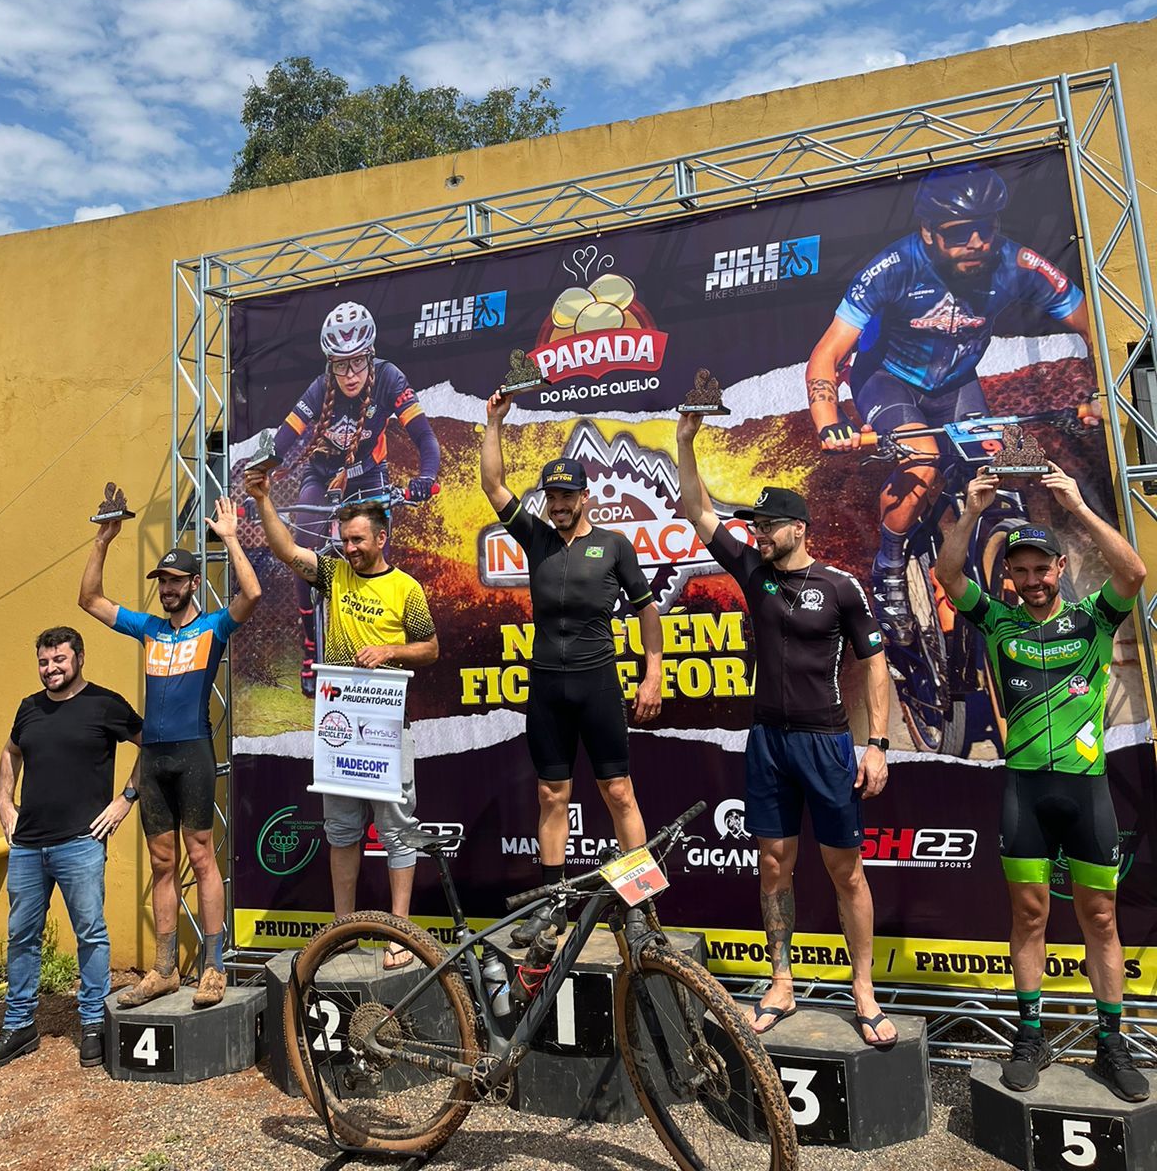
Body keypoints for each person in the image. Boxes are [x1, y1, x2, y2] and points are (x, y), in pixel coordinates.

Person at [677, 411, 896, 1047]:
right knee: (774, 863)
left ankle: (864, 990)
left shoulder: (841, 587)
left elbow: (875, 664)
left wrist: (877, 746)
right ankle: (781, 982)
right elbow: (698, 511)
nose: (759, 534)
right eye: (756, 526)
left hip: (826, 742)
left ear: (798, 528)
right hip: (768, 741)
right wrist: (685, 441)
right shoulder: (755, 572)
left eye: (768, 525)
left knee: (845, 870)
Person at [805, 165, 1099, 628]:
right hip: (887, 379)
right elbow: (827, 354)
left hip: (957, 383)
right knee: (923, 462)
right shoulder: (894, 267)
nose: (976, 242)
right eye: (960, 232)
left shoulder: (1016, 263)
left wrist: (1103, 392)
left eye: (986, 228)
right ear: (928, 232)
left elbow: (1095, 325)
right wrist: (828, 422)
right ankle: (889, 564)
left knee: (997, 468)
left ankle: (988, 555)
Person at [935, 464, 1149, 1100]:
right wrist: (970, 512)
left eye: (1041, 569)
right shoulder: (998, 623)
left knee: (1100, 918)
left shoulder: (1093, 619)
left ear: (1060, 568)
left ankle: (1111, 1041)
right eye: (1021, 571)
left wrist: (1077, 507)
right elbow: (948, 574)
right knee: (1029, 915)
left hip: (1087, 792)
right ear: (1010, 576)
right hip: (1025, 792)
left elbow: (1134, 573)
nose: (1032, 580)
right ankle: (1030, 1035)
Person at [480, 389, 663, 945]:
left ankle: (640, 905)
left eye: (567, 495)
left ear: (586, 497)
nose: (558, 504)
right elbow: (493, 484)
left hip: (598, 683)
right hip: (547, 689)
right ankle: (552, 907)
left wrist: (653, 673)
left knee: (619, 792)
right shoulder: (536, 537)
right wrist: (494, 422)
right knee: (551, 796)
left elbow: (647, 609)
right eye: (551, 496)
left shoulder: (613, 546)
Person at [78, 497, 260, 1008]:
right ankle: (164, 970)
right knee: (162, 863)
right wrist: (103, 540)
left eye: (176, 581)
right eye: (162, 581)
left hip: (193, 754)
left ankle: (213, 966)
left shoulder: (213, 627)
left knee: (201, 858)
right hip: (154, 760)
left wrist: (230, 538)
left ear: (194, 583)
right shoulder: (149, 629)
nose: (167, 589)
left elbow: (252, 593)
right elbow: (89, 599)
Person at [244, 469, 438, 938]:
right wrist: (265, 500)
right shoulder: (334, 575)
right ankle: (342, 928)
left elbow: (431, 648)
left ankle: (401, 932)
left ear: (381, 538)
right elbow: (287, 551)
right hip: (339, 727)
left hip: (388, 725)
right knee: (342, 831)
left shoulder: (406, 588)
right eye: (344, 540)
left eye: (357, 540)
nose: (348, 548)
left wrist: (389, 651)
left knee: (397, 831)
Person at [0, 627, 142, 1072]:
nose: (51, 668)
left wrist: (125, 799)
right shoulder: (28, 707)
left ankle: (93, 1024)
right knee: (21, 936)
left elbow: (152, 746)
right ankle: (19, 1026)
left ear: (79, 658)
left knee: (90, 934)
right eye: (44, 662)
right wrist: (4, 802)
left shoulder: (105, 704)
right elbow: (10, 752)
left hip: (80, 842)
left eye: (59, 660)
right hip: (28, 845)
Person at [265, 300, 441, 696]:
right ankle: (311, 644)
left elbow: (425, 437)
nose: (350, 374)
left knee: (374, 561)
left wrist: (425, 477)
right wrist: (262, 472)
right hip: (322, 474)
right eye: (340, 364)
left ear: (370, 355)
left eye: (358, 362)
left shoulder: (390, 378)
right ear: (330, 363)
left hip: (371, 476)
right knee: (302, 552)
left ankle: (381, 653)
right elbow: (284, 439)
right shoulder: (320, 387)